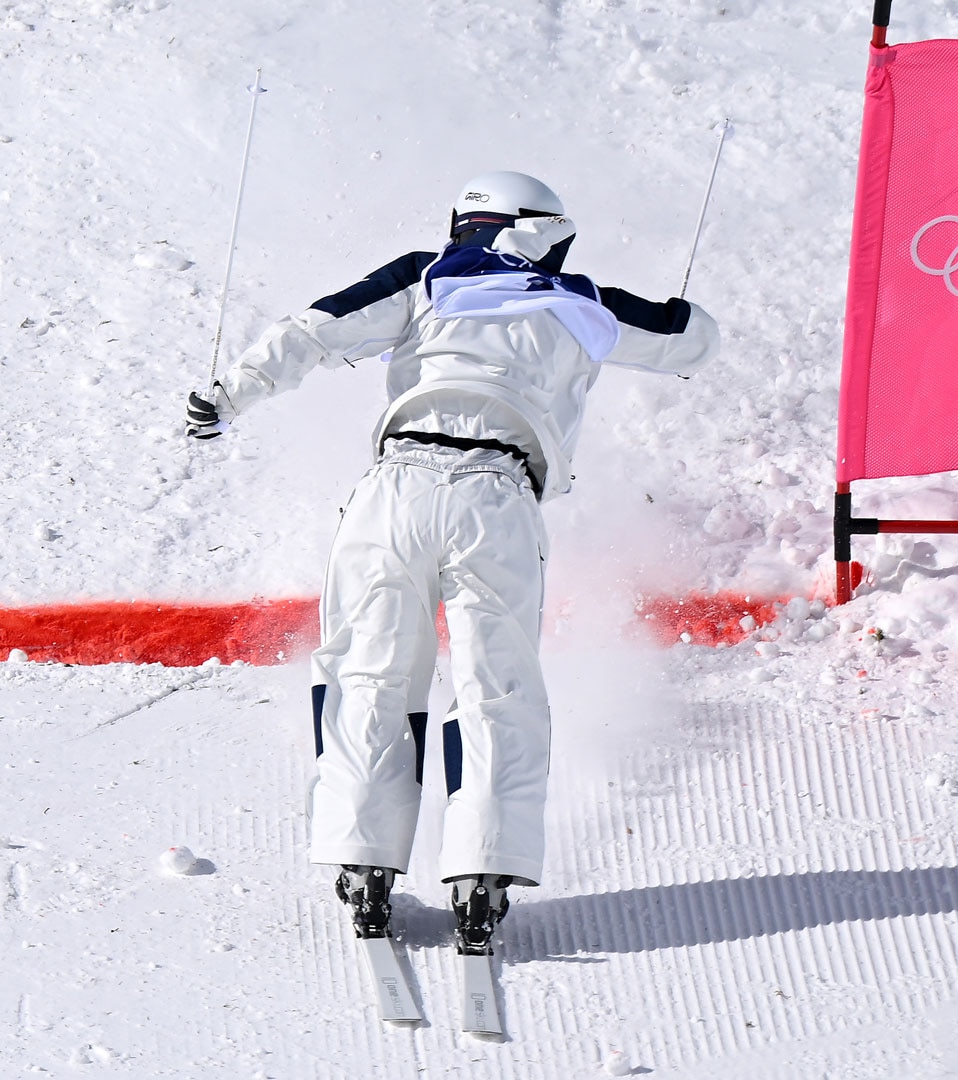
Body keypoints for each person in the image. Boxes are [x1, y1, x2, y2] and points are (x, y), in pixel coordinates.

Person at [184, 171, 719, 952]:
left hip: (397, 487)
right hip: (499, 497)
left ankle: (363, 856)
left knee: (368, 669)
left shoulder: (426, 276)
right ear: (548, 229)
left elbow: (314, 330)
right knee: (496, 684)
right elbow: (693, 339)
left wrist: (227, 396)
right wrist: (673, 313)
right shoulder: (584, 302)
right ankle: (484, 870)